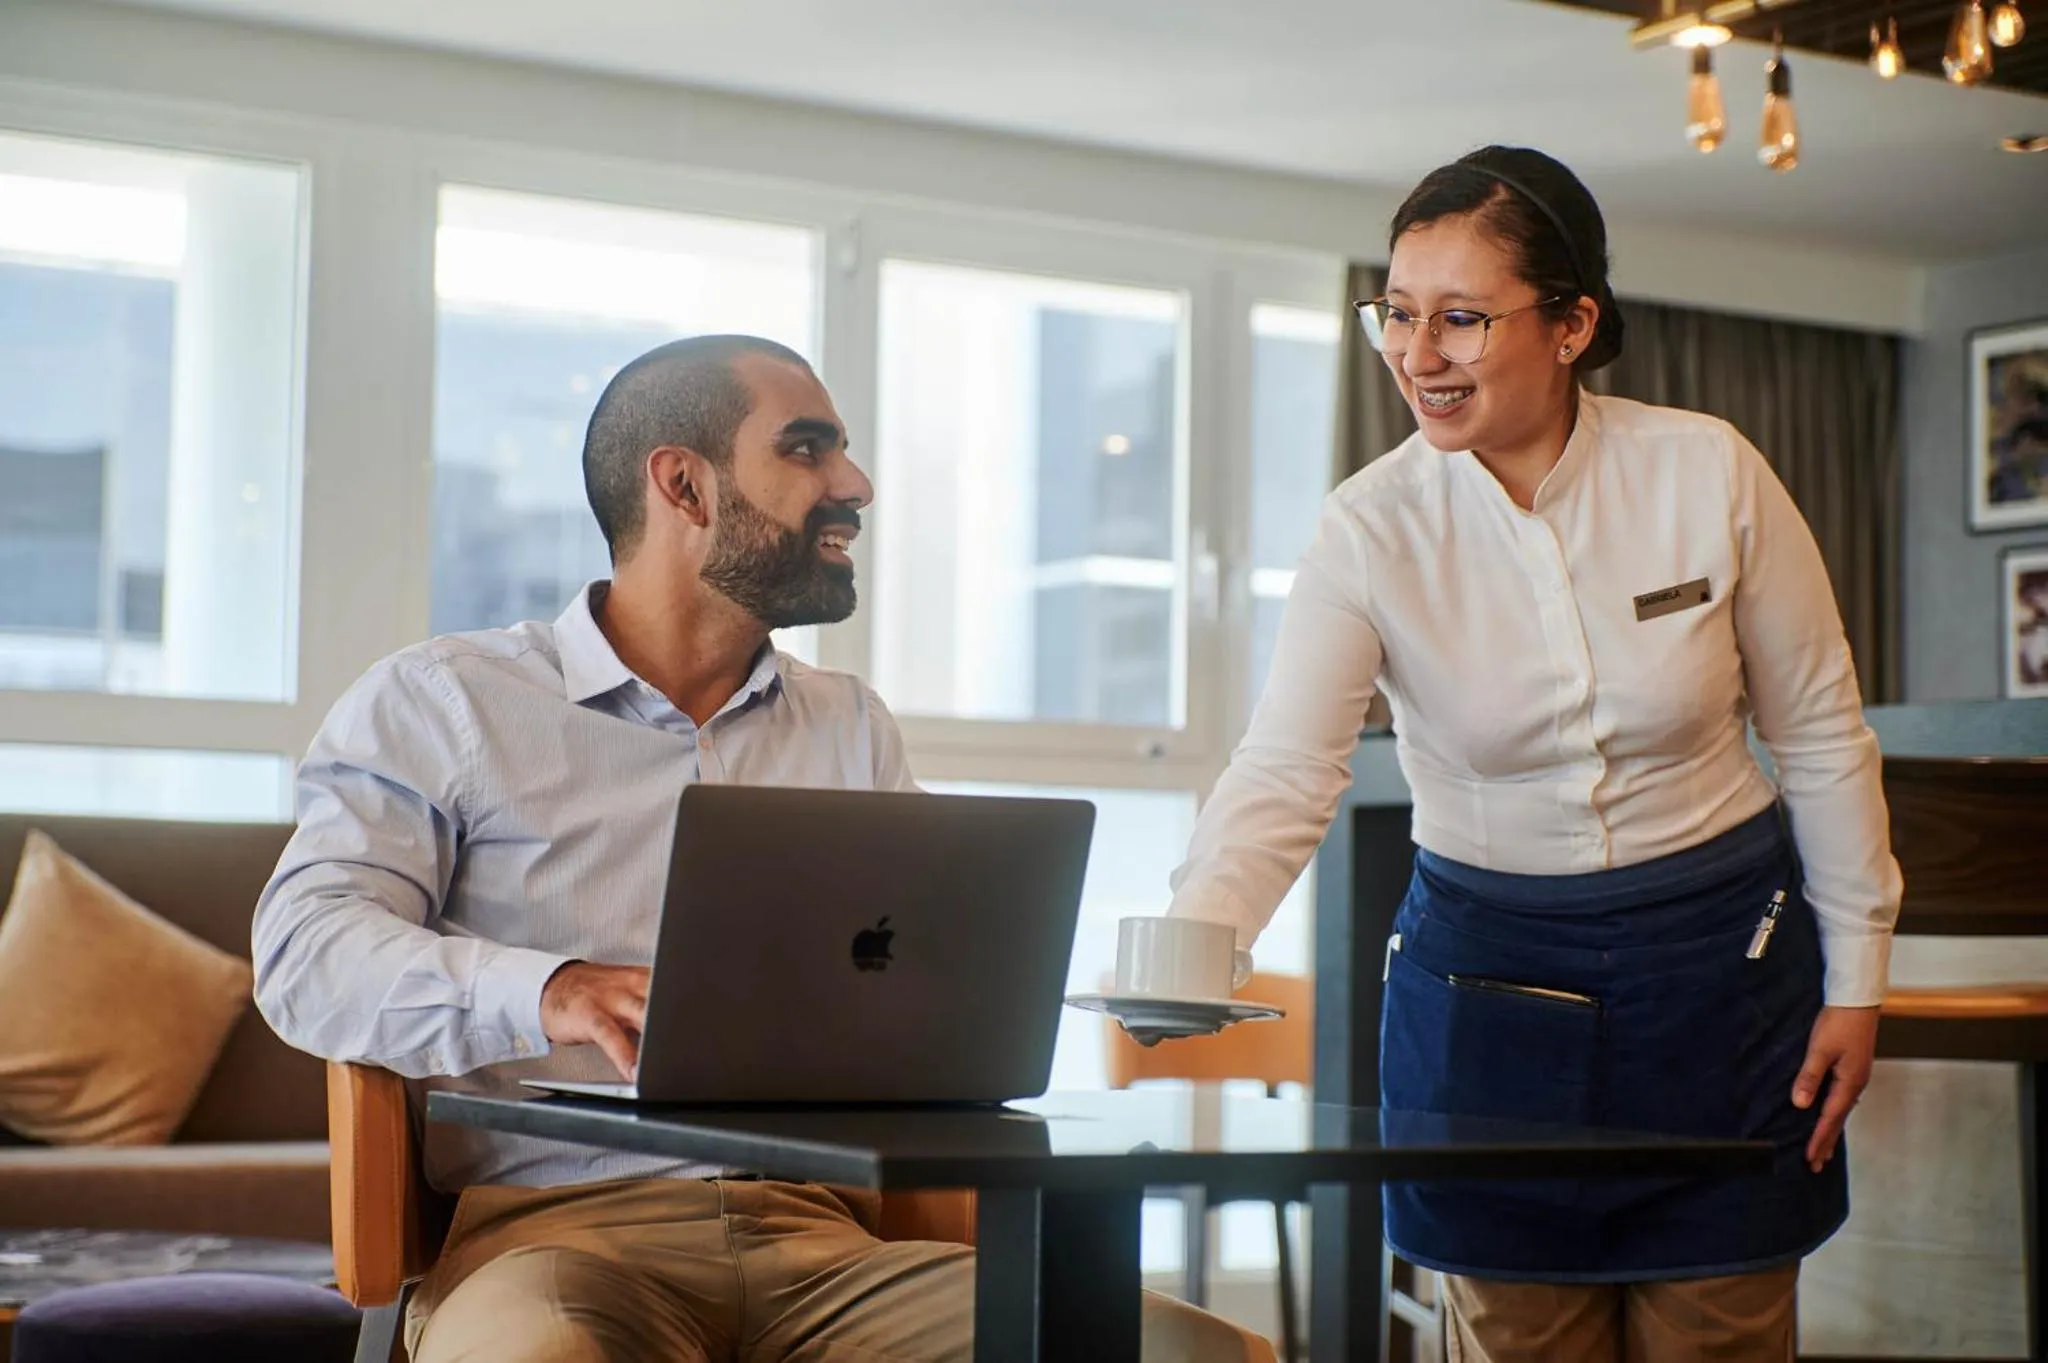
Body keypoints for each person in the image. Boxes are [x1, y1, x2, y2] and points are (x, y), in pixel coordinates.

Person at [253, 335, 1273, 1363]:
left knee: (1195, 1353)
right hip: (548, 1237)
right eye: (807, 450)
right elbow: (305, 954)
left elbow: (925, 989)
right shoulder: (444, 702)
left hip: (826, 1243)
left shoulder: (847, 727)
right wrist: (551, 987)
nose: (854, 483)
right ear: (683, 485)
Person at [1165, 147, 1902, 1360]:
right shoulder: (1368, 529)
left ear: (1570, 324)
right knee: (1517, 1338)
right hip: (1484, 992)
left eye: (1460, 318)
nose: (1416, 355)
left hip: (1717, 976)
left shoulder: (1705, 469)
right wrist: (1194, 946)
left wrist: (1856, 977)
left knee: (1719, 1329)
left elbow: (1817, 730)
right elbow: (1287, 766)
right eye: (1395, 315)